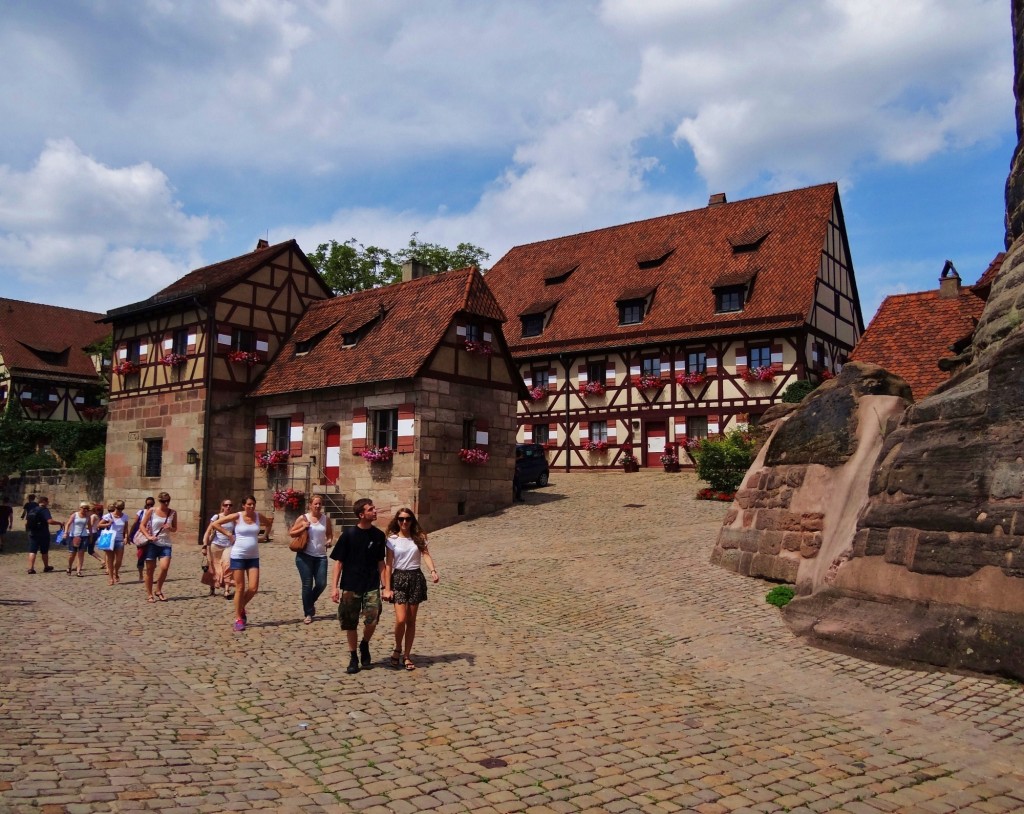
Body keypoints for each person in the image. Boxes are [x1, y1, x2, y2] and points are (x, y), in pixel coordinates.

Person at [329, 498, 386, 674]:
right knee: (350, 622)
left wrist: (386, 586)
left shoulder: (378, 535)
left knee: (373, 617)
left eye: (374, 508)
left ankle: (365, 643)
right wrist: (334, 587)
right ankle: (353, 656)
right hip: (351, 585)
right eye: (371, 509)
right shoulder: (349, 535)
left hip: (371, 584)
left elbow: (380, 562)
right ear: (362, 514)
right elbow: (339, 563)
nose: (375, 511)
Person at [382, 508, 439, 671]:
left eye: (407, 519)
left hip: (415, 578)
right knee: (400, 619)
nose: (404, 522)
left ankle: (407, 655)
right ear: (397, 521)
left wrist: (433, 571)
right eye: (401, 519)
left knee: (411, 621)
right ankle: (397, 647)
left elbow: (426, 555)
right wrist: (387, 587)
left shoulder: (419, 538)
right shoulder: (391, 540)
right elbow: (388, 564)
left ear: (412, 520)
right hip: (398, 578)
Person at [211, 495, 261, 631]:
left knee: (253, 588)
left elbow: (268, 523)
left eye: (253, 504)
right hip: (238, 555)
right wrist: (228, 533)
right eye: (249, 504)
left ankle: (241, 606)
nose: (251, 506)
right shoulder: (237, 516)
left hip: (253, 556)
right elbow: (215, 524)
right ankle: (238, 618)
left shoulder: (258, 516)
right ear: (244, 505)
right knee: (239, 587)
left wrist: (264, 536)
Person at [289, 494, 333, 624]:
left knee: (321, 583)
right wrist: (303, 527)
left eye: (320, 504)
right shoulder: (303, 518)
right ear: (310, 505)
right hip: (304, 556)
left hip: (320, 556)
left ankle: (309, 602)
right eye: (316, 504)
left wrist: (329, 541)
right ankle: (308, 613)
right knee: (307, 585)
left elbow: (330, 534)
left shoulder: (326, 519)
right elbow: (291, 533)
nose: (318, 506)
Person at [139, 491, 177, 602]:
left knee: (164, 568)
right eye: (163, 501)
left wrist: (169, 527)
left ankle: (158, 589)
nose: (166, 503)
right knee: (150, 570)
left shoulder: (172, 512)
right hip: (152, 544)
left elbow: (175, 528)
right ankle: (150, 594)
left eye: (168, 501)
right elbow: (142, 525)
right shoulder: (152, 511)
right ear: (159, 501)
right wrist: (148, 536)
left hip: (166, 543)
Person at [202, 499, 236, 599]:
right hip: (215, 545)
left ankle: (226, 590)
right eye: (226, 505)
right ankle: (212, 587)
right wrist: (204, 545)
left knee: (227, 565)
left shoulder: (233, 518)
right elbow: (208, 531)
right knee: (214, 567)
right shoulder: (216, 517)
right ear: (222, 506)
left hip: (228, 545)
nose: (228, 507)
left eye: (230, 505)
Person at [26, 496, 60, 573]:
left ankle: (31, 568)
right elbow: (50, 521)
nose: (48, 503)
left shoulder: (33, 509)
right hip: (43, 533)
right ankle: (46, 566)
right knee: (44, 551)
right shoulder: (44, 510)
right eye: (47, 501)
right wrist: (59, 523)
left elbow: (27, 522)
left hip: (32, 533)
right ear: (44, 501)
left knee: (32, 551)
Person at [97, 500, 129, 584]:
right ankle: (111, 578)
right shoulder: (108, 516)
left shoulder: (125, 517)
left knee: (119, 560)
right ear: (115, 507)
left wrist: (126, 537)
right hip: (109, 539)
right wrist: (108, 524)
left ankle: (116, 571)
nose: (120, 510)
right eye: (118, 508)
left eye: (122, 508)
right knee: (110, 560)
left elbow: (126, 529)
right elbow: (99, 525)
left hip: (119, 540)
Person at [65, 501, 95, 577]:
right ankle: (69, 566)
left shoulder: (87, 517)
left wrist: (91, 536)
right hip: (74, 536)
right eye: (84, 508)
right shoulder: (75, 515)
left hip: (84, 536)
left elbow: (90, 527)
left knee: (81, 554)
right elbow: (68, 524)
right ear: (80, 508)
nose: (86, 510)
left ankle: (79, 571)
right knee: (72, 554)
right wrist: (66, 532)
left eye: (87, 509)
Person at [131, 497, 155, 582]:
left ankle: (149, 575)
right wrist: (130, 534)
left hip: (152, 537)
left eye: (151, 504)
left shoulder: (155, 512)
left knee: (151, 557)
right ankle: (141, 574)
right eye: (148, 504)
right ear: (146, 504)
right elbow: (135, 523)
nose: (150, 506)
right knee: (141, 556)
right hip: (142, 537)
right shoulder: (141, 512)